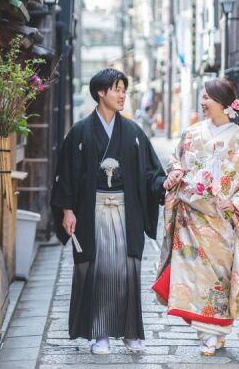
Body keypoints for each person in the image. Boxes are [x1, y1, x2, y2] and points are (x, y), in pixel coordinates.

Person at [50, 68, 166, 355]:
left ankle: (129, 332)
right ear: (101, 93)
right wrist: (67, 210)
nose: (122, 94)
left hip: (127, 212)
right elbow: (66, 175)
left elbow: (151, 172)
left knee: (127, 270)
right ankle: (99, 333)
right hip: (92, 211)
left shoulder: (134, 132)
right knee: (97, 271)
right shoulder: (80, 132)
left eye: (124, 89)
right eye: (116, 89)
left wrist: (166, 184)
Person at [153, 78, 239, 356]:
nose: (202, 102)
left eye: (207, 98)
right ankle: (207, 333)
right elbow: (177, 160)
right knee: (192, 276)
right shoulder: (191, 134)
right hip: (191, 218)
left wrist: (234, 204)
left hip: (222, 220)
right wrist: (175, 172)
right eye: (202, 97)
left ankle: (217, 330)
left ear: (224, 103)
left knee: (219, 278)